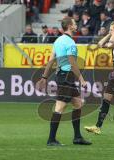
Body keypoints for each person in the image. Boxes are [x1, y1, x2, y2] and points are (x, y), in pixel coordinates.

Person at [37, 17, 92, 146]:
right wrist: (82, 80)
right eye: (74, 23)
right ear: (69, 26)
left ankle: (77, 137)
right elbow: (73, 63)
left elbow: (51, 60)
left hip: (63, 75)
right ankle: (51, 139)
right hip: (67, 77)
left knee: (78, 104)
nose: (76, 25)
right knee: (60, 108)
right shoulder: (70, 43)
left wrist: (44, 77)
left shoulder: (58, 41)